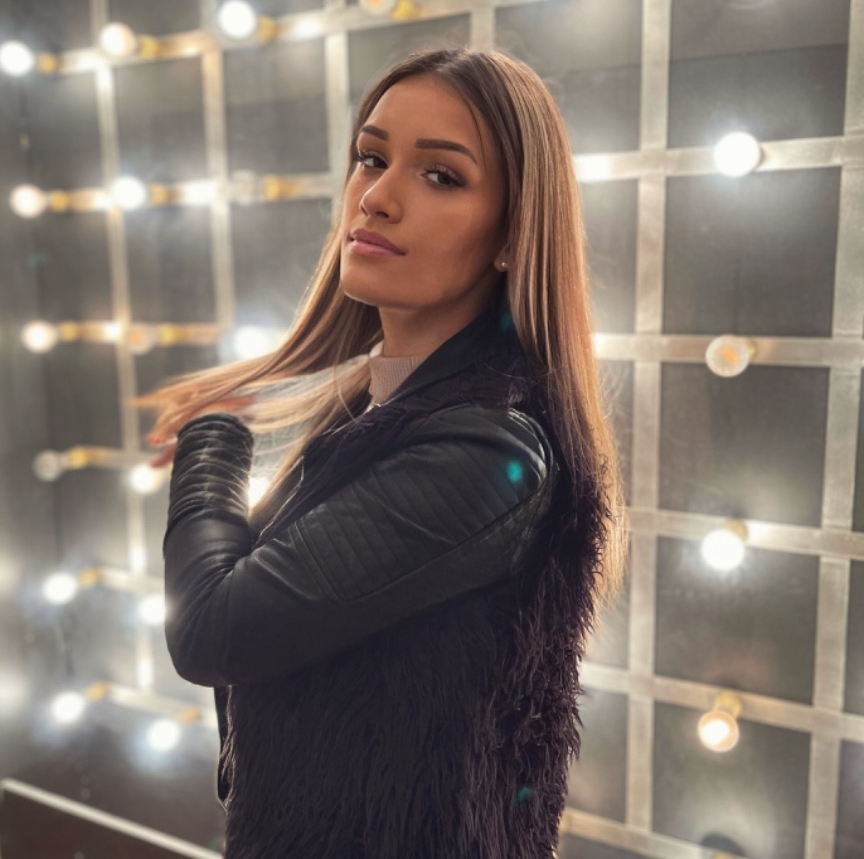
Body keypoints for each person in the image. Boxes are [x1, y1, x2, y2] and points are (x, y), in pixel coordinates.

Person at [136, 47, 627, 859]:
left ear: (512, 235)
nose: (377, 197)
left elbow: (214, 631)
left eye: (441, 176)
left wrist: (213, 442)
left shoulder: (486, 451)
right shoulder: (381, 405)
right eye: (371, 158)